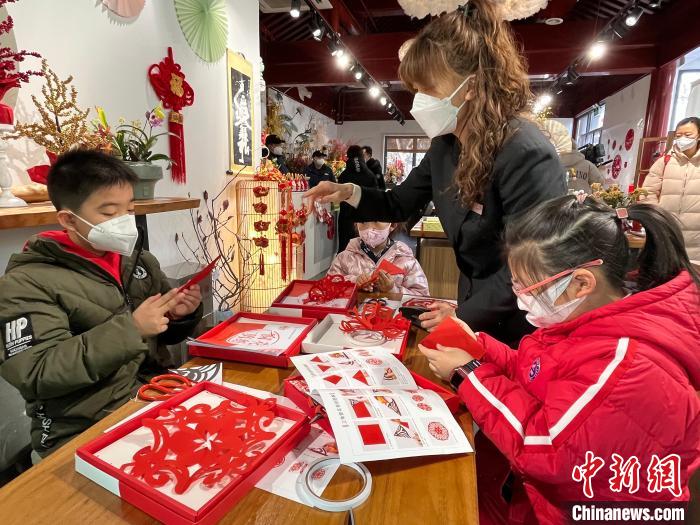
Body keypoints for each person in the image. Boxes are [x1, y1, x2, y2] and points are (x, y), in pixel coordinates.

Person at [419, 196, 700, 524]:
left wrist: (467, 373)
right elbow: (534, 374)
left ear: (581, 282)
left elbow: (544, 446)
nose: (520, 297)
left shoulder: (625, 365)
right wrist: (478, 346)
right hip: (533, 493)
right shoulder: (581, 322)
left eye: (529, 287)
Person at [305, 2, 566, 344]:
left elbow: (533, 267)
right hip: (473, 304)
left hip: (521, 321)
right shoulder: (446, 146)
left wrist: (462, 315)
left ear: (470, 86)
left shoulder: (525, 153)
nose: (419, 102)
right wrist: (348, 192)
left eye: (429, 89)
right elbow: (399, 203)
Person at [0, 150, 203, 458]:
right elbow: (37, 373)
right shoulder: (27, 282)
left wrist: (180, 316)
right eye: (109, 213)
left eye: (129, 210)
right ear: (69, 219)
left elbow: (164, 335)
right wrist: (132, 329)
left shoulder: (138, 260)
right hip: (81, 430)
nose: (124, 222)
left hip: (154, 396)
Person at [642, 116, 700, 263]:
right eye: (678, 135)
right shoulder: (665, 161)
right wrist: (657, 217)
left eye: (688, 135)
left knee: (693, 280)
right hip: (666, 232)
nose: (682, 139)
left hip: (696, 238)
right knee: (665, 275)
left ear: (698, 136)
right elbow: (647, 192)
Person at [328, 221, 429, 296]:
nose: (369, 229)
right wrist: (354, 282)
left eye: (376, 221)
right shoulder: (344, 258)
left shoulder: (407, 261)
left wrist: (392, 289)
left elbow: (421, 297)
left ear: (392, 225)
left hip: (393, 320)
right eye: (363, 222)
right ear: (356, 224)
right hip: (352, 319)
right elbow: (327, 287)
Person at [540, 119, 604, 194]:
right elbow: (599, 183)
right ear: (575, 147)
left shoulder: (553, 165)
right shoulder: (588, 165)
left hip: (559, 202)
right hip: (582, 202)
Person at [336, 145, 378, 253]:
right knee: (365, 249)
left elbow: (338, 196)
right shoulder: (370, 175)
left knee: (345, 248)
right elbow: (376, 197)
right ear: (361, 156)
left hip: (347, 218)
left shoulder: (344, 176)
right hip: (365, 219)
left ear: (348, 157)